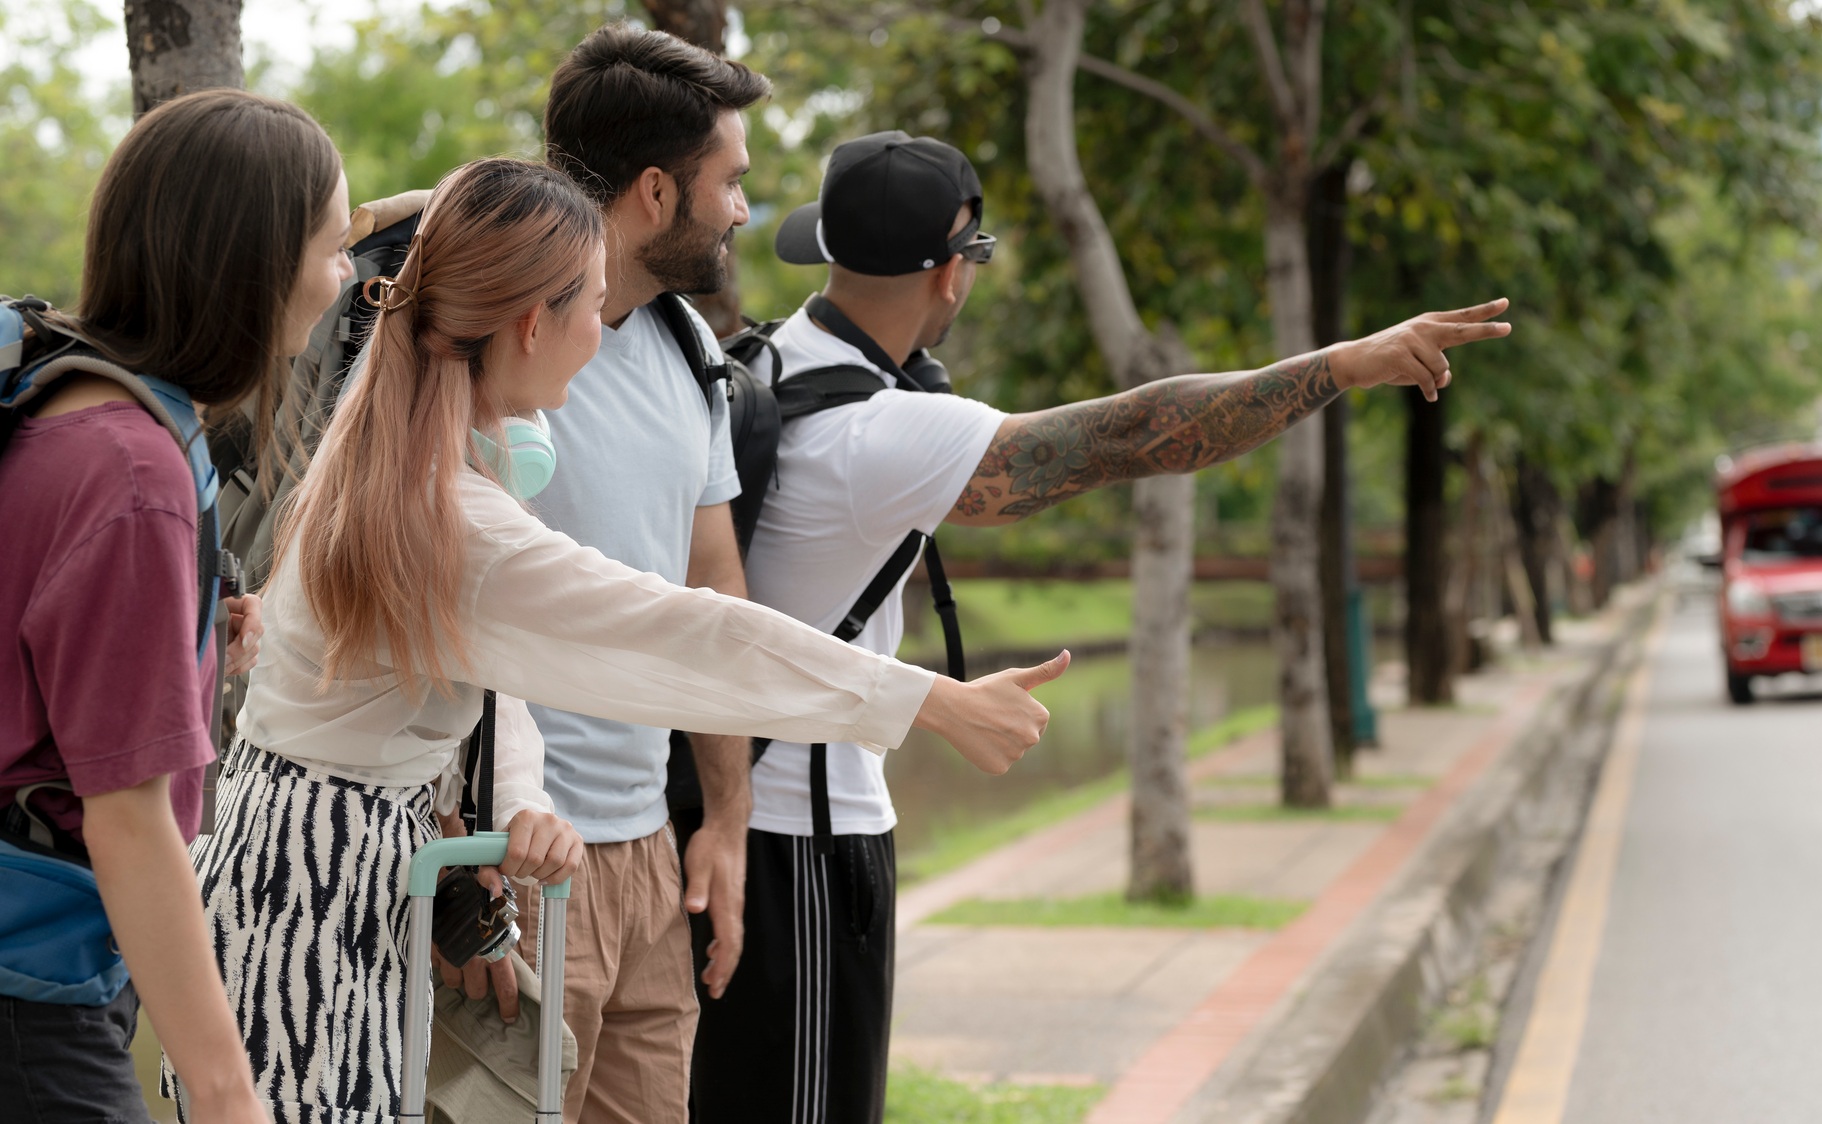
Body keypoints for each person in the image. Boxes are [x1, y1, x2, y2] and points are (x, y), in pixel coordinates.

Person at [171, 154, 1066, 1124]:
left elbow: (488, 665)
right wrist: (925, 698)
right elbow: (687, 632)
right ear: (527, 324)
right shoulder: (456, 520)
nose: (601, 336)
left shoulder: (388, 453)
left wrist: (514, 793)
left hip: (298, 871)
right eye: (593, 308)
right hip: (320, 903)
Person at [689, 131, 1512, 1123]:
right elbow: (1130, 434)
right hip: (805, 847)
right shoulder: (883, 431)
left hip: (722, 811)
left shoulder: (773, 356)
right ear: (949, 274)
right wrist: (1339, 364)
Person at [435, 26, 768, 1124]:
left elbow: (709, 590)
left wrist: (724, 813)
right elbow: (426, 602)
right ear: (658, 190)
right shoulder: (483, 342)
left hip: (644, 853)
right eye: (730, 182)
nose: (741, 212)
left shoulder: (685, 349)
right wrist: (461, 860)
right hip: (516, 856)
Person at [0, 87, 337, 1124]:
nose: (342, 280)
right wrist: (229, 1093)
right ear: (256, 264)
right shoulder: (136, 470)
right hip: (30, 993)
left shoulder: (63, 386)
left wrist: (185, 635)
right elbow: (133, 821)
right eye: (330, 248)